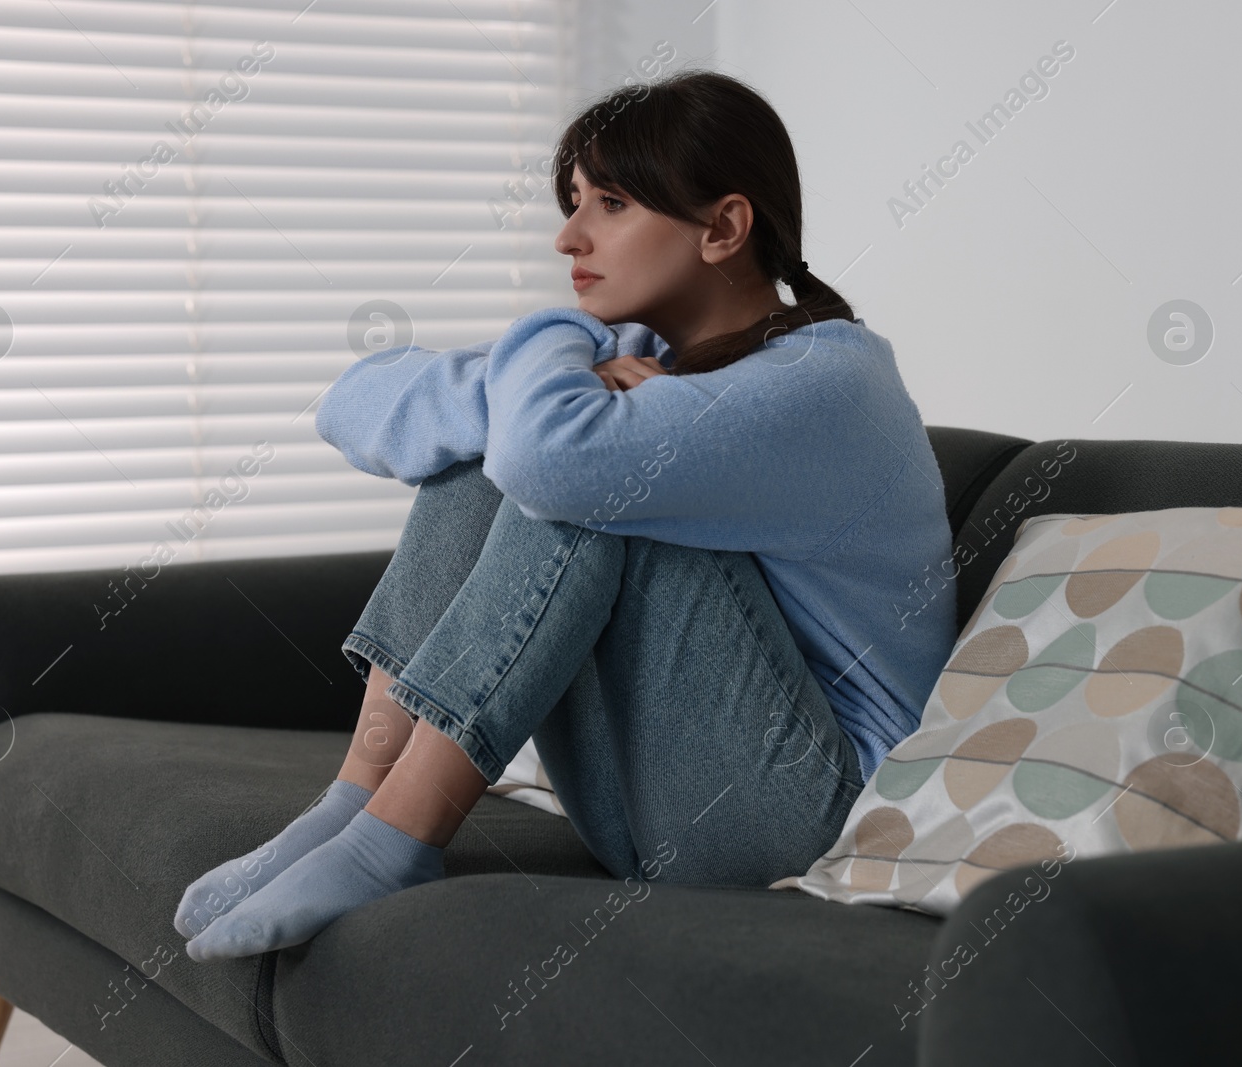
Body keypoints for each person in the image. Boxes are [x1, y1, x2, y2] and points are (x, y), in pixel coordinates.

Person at [176, 69, 957, 962]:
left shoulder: (827, 382)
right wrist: (571, 367)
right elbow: (353, 405)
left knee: (581, 483)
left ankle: (392, 838)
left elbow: (554, 459)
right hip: (638, 800)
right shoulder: (635, 357)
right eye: (574, 200)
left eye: (612, 203)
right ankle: (355, 801)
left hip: (804, 811)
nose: (568, 235)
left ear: (725, 227)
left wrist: (557, 338)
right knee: (491, 457)